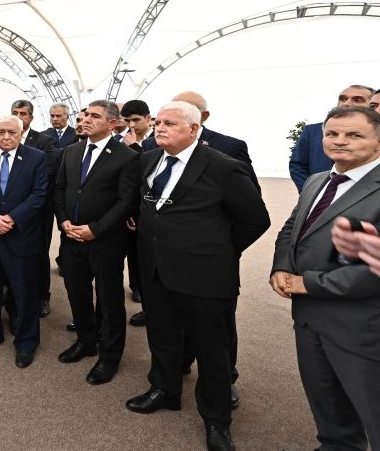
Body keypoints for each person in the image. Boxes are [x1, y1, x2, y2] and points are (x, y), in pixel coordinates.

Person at [126, 101, 270, 451]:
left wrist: (217, 251)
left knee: (212, 350)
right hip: (157, 271)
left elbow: (256, 220)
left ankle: (217, 420)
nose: (160, 128)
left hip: (206, 275)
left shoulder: (223, 167)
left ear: (193, 129)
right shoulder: (148, 160)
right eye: (158, 122)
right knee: (162, 337)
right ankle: (164, 389)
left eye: (170, 123)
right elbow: (149, 208)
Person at [271, 106, 380, 450]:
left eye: (354, 135)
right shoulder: (318, 180)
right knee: (329, 412)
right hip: (309, 321)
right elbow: (293, 228)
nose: (340, 141)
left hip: (361, 328)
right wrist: (281, 267)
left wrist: (310, 283)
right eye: (332, 134)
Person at [53, 100, 139, 384]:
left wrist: (95, 229)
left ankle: (109, 356)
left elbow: (125, 202)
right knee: (76, 292)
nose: (85, 120)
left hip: (105, 241)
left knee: (109, 298)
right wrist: (64, 221)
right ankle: (86, 341)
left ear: (112, 124)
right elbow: (61, 189)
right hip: (71, 238)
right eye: (85, 115)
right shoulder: (71, 151)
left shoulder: (126, 157)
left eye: (94, 116)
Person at [0, 115, 49, 368]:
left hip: (20, 237)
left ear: (21, 133)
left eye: (11, 133)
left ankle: (26, 343)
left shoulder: (37, 158)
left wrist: (12, 219)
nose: (5, 137)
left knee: (24, 293)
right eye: (0, 132)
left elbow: (39, 195)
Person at [11, 99, 57, 317]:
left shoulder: (44, 141)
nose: (19, 116)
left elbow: (46, 174)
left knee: (38, 254)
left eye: (23, 113)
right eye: (15, 112)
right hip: (9, 210)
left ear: (30, 117)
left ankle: (42, 296)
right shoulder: (3, 136)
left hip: (37, 210)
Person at [289, 85, 374, 192]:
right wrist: (310, 192)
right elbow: (297, 166)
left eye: (357, 100)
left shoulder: (375, 133)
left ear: (372, 105)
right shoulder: (312, 131)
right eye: (342, 99)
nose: (347, 103)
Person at [120, 99, 152, 325]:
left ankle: (152, 307)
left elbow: (152, 172)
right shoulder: (121, 140)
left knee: (150, 260)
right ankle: (138, 288)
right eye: (127, 120)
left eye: (136, 120)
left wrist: (133, 147)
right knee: (133, 254)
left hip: (150, 211)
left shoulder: (157, 141)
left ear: (148, 119)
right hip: (128, 209)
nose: (132, 125)